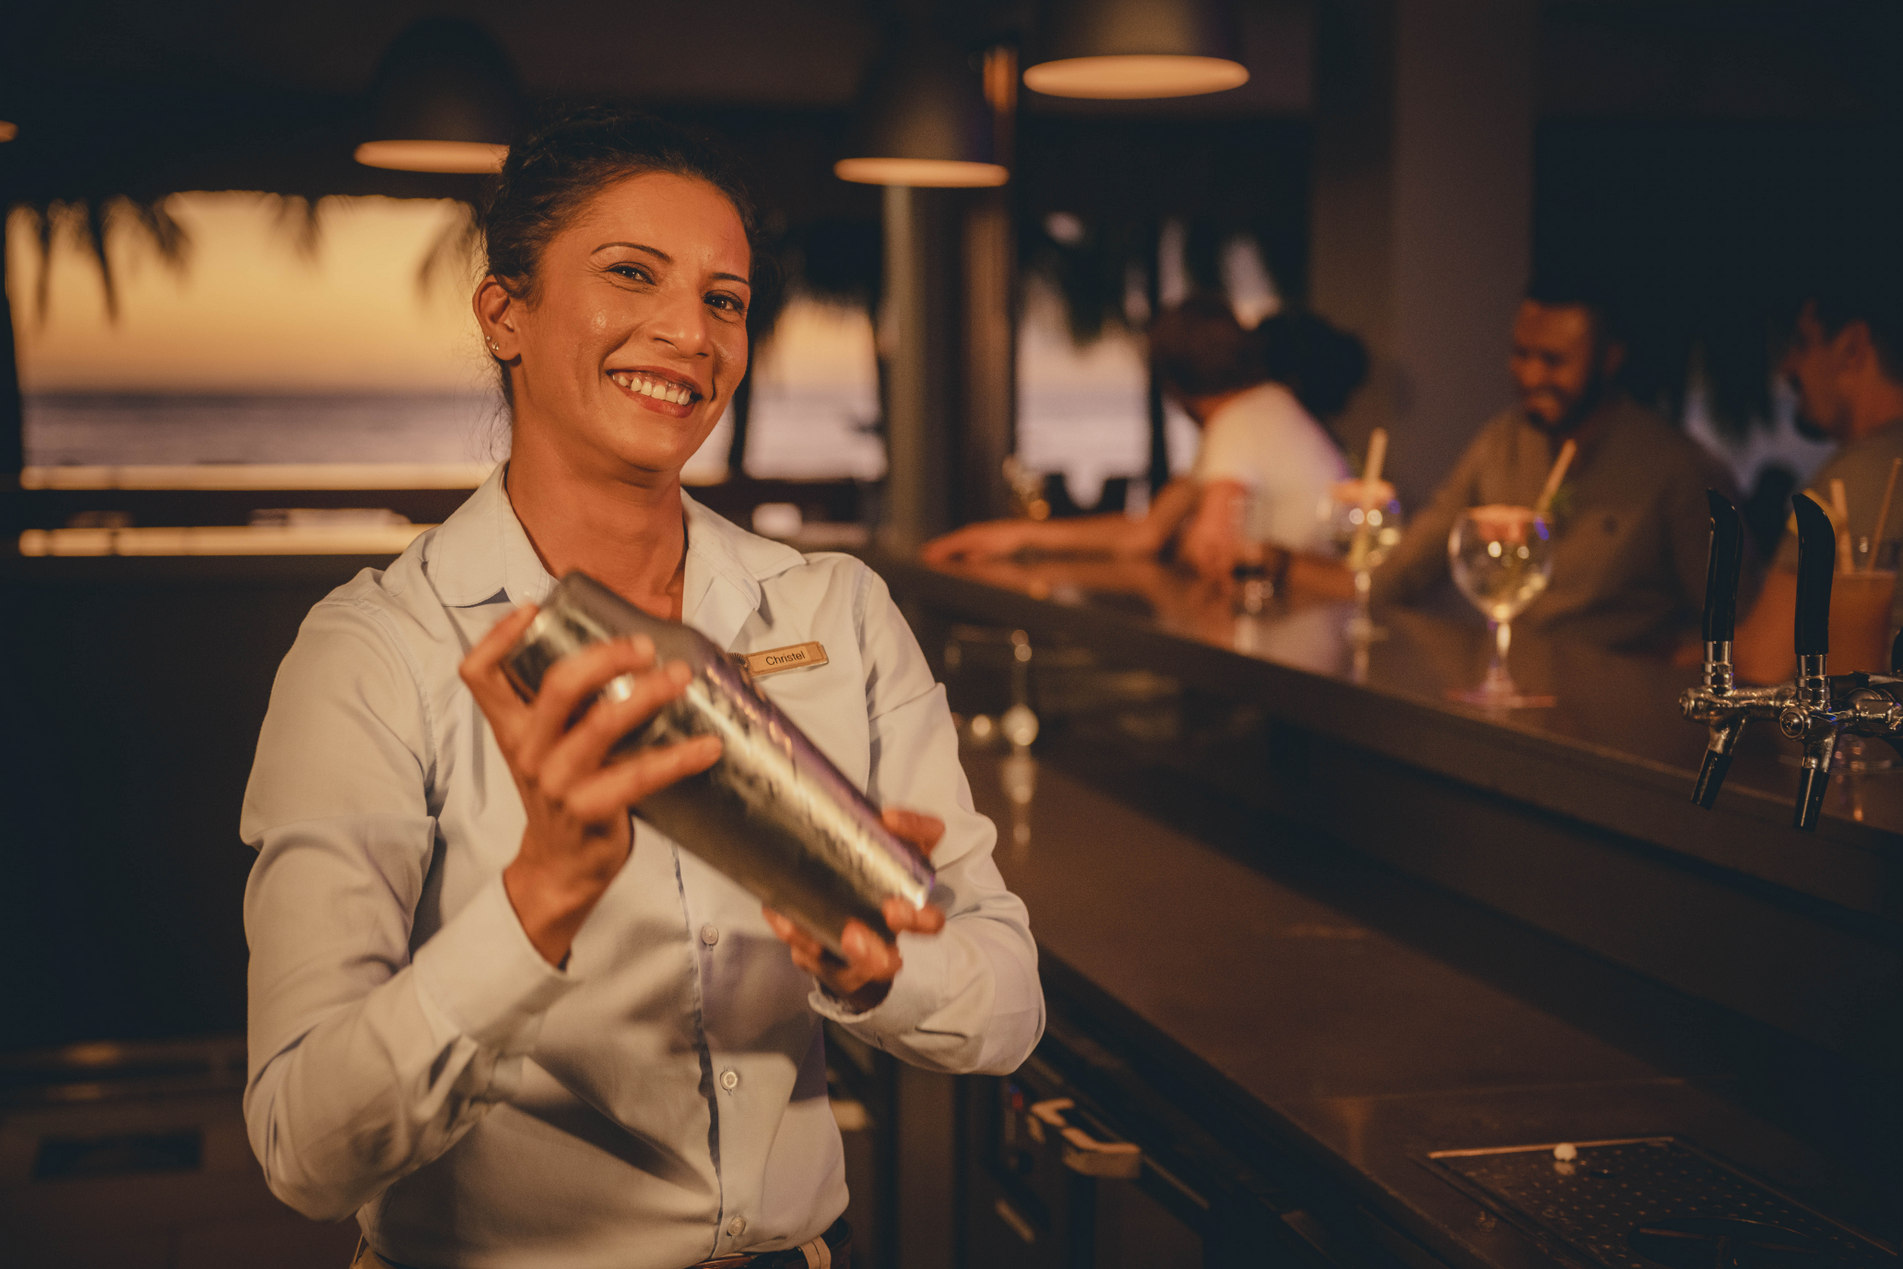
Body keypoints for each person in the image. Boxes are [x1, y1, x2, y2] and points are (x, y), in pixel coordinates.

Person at [241, 107, 1043, 1269]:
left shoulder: (831, 613)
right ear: (504, 314)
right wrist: (540, 900)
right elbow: (304, 1152)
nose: (689, 332)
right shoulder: (378, 648)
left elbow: (1009, 1007)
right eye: (631, 274)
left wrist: (871, 957)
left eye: (725, 299)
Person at [1372, 279, 1736, 652]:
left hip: (1611, 683)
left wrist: (1661, 663)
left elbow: (1735, 623)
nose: (1531, 377)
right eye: (1521, 354)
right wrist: (1344, 578)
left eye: (1553, 361)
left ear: (1609, 359)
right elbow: (1410, 564)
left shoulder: (1676, 467)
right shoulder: (1501, 442)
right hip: (1508, 670)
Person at [922, 295, 1363, 580]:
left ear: (1172, 384)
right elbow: (1148, 531)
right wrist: (1015, 536)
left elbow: (1208, 548)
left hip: (1302, 638)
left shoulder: (1238, 424)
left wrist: (1017, 536)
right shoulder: (1261, 408)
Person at [1732, 286, 1903, 682]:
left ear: (1852, 348)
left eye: (1802, 343)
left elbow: (1762, 661)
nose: (1786, 367)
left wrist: (1679, 654)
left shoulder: (1850, 479)